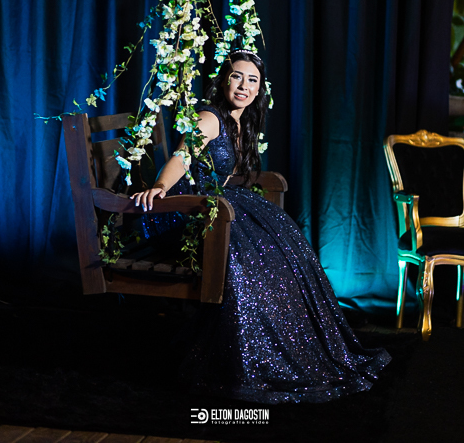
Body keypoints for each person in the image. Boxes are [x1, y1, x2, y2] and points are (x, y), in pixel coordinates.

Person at [132, 49, 391, 404]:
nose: (243, 85)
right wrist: (161, 187)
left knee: (283, 243)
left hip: (217, 202)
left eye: (252, 80)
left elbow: (225, 175)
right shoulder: (209, 117)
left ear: (259, 89)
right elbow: (183, 156)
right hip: (189, 211)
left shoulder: (241, 121)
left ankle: (293, 348)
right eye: (237, 77)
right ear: (223, 81)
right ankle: (249, 357)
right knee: (247, 253)